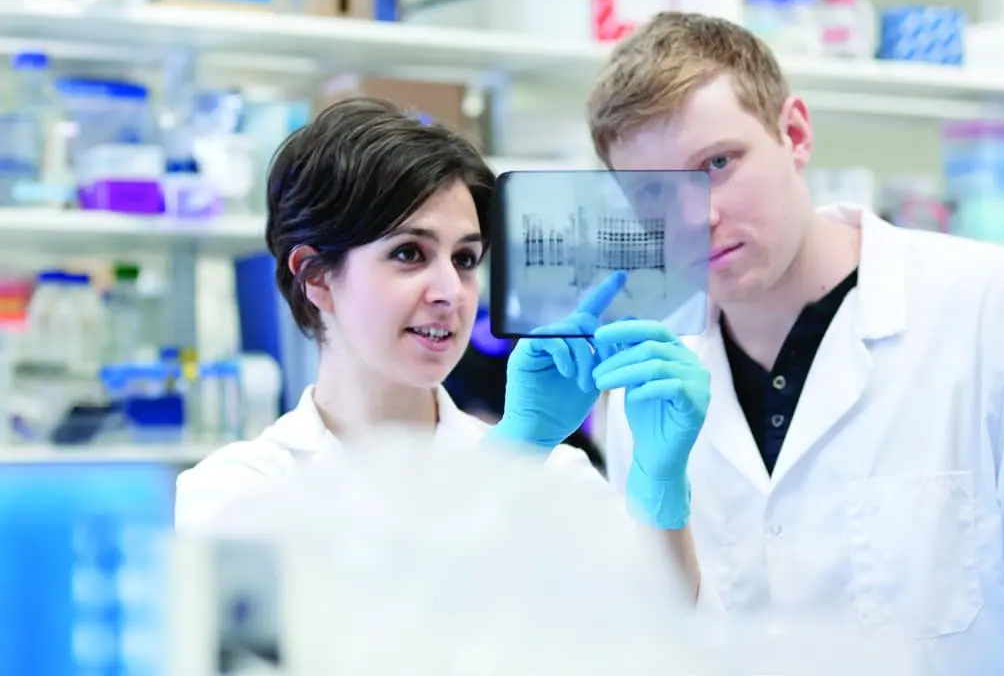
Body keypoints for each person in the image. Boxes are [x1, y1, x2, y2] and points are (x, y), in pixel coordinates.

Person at [587, 12, 1004, 674]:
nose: (698, 215)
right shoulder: (649, 384)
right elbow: (657, 639)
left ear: (794, 133)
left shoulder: (1001, 311)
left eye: (718, 163)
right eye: (656, 192)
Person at [174, 96, 709, 597]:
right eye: (409, 254)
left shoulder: (554, 476)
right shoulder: (240, 490)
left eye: (465, 259)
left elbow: (661, 647)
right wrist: (508, 461)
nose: (451, 292)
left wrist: (659, 490)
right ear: (316, 275)